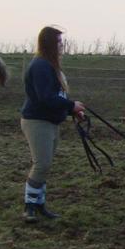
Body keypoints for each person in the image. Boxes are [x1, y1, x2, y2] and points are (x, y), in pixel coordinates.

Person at [20, 26, 85, 223]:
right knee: (42, 164)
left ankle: (39, 204)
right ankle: (29, 207)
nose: (61, 46)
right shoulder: (41, 66)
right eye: (58, 42)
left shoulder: (48, 66)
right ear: (49, 43)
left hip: (49, 121)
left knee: (44, 165)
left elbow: (56, 96)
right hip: (38, 121)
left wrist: (71, 110)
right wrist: (71, 105)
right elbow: (46, 98)